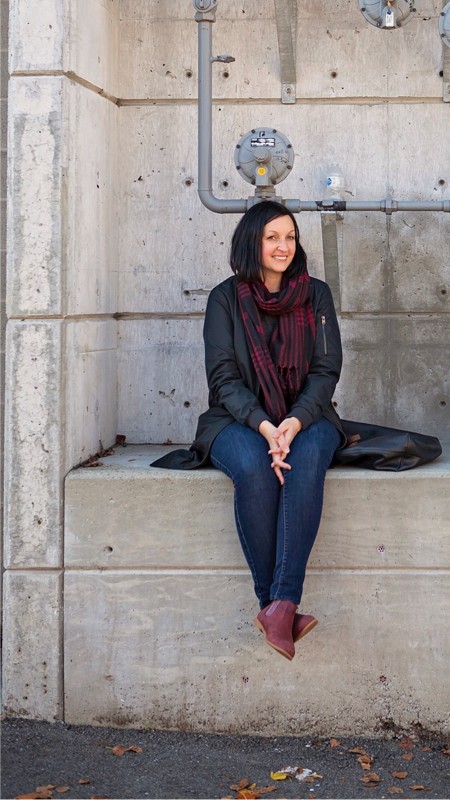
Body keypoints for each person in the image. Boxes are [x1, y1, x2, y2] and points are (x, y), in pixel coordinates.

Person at [152, 200, 344, 661]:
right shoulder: (225, 297)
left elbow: (326, 369)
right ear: (252, 243)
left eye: (290, 237)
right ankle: (278, 605)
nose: (283, 247)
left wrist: (292, 424)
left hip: (309, 415)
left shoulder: (316, 294)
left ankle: (276, 607)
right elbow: (223, 378)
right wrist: (266, 427)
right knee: (256, 469)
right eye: (271, 237)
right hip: (236, 419)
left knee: (308, 456)